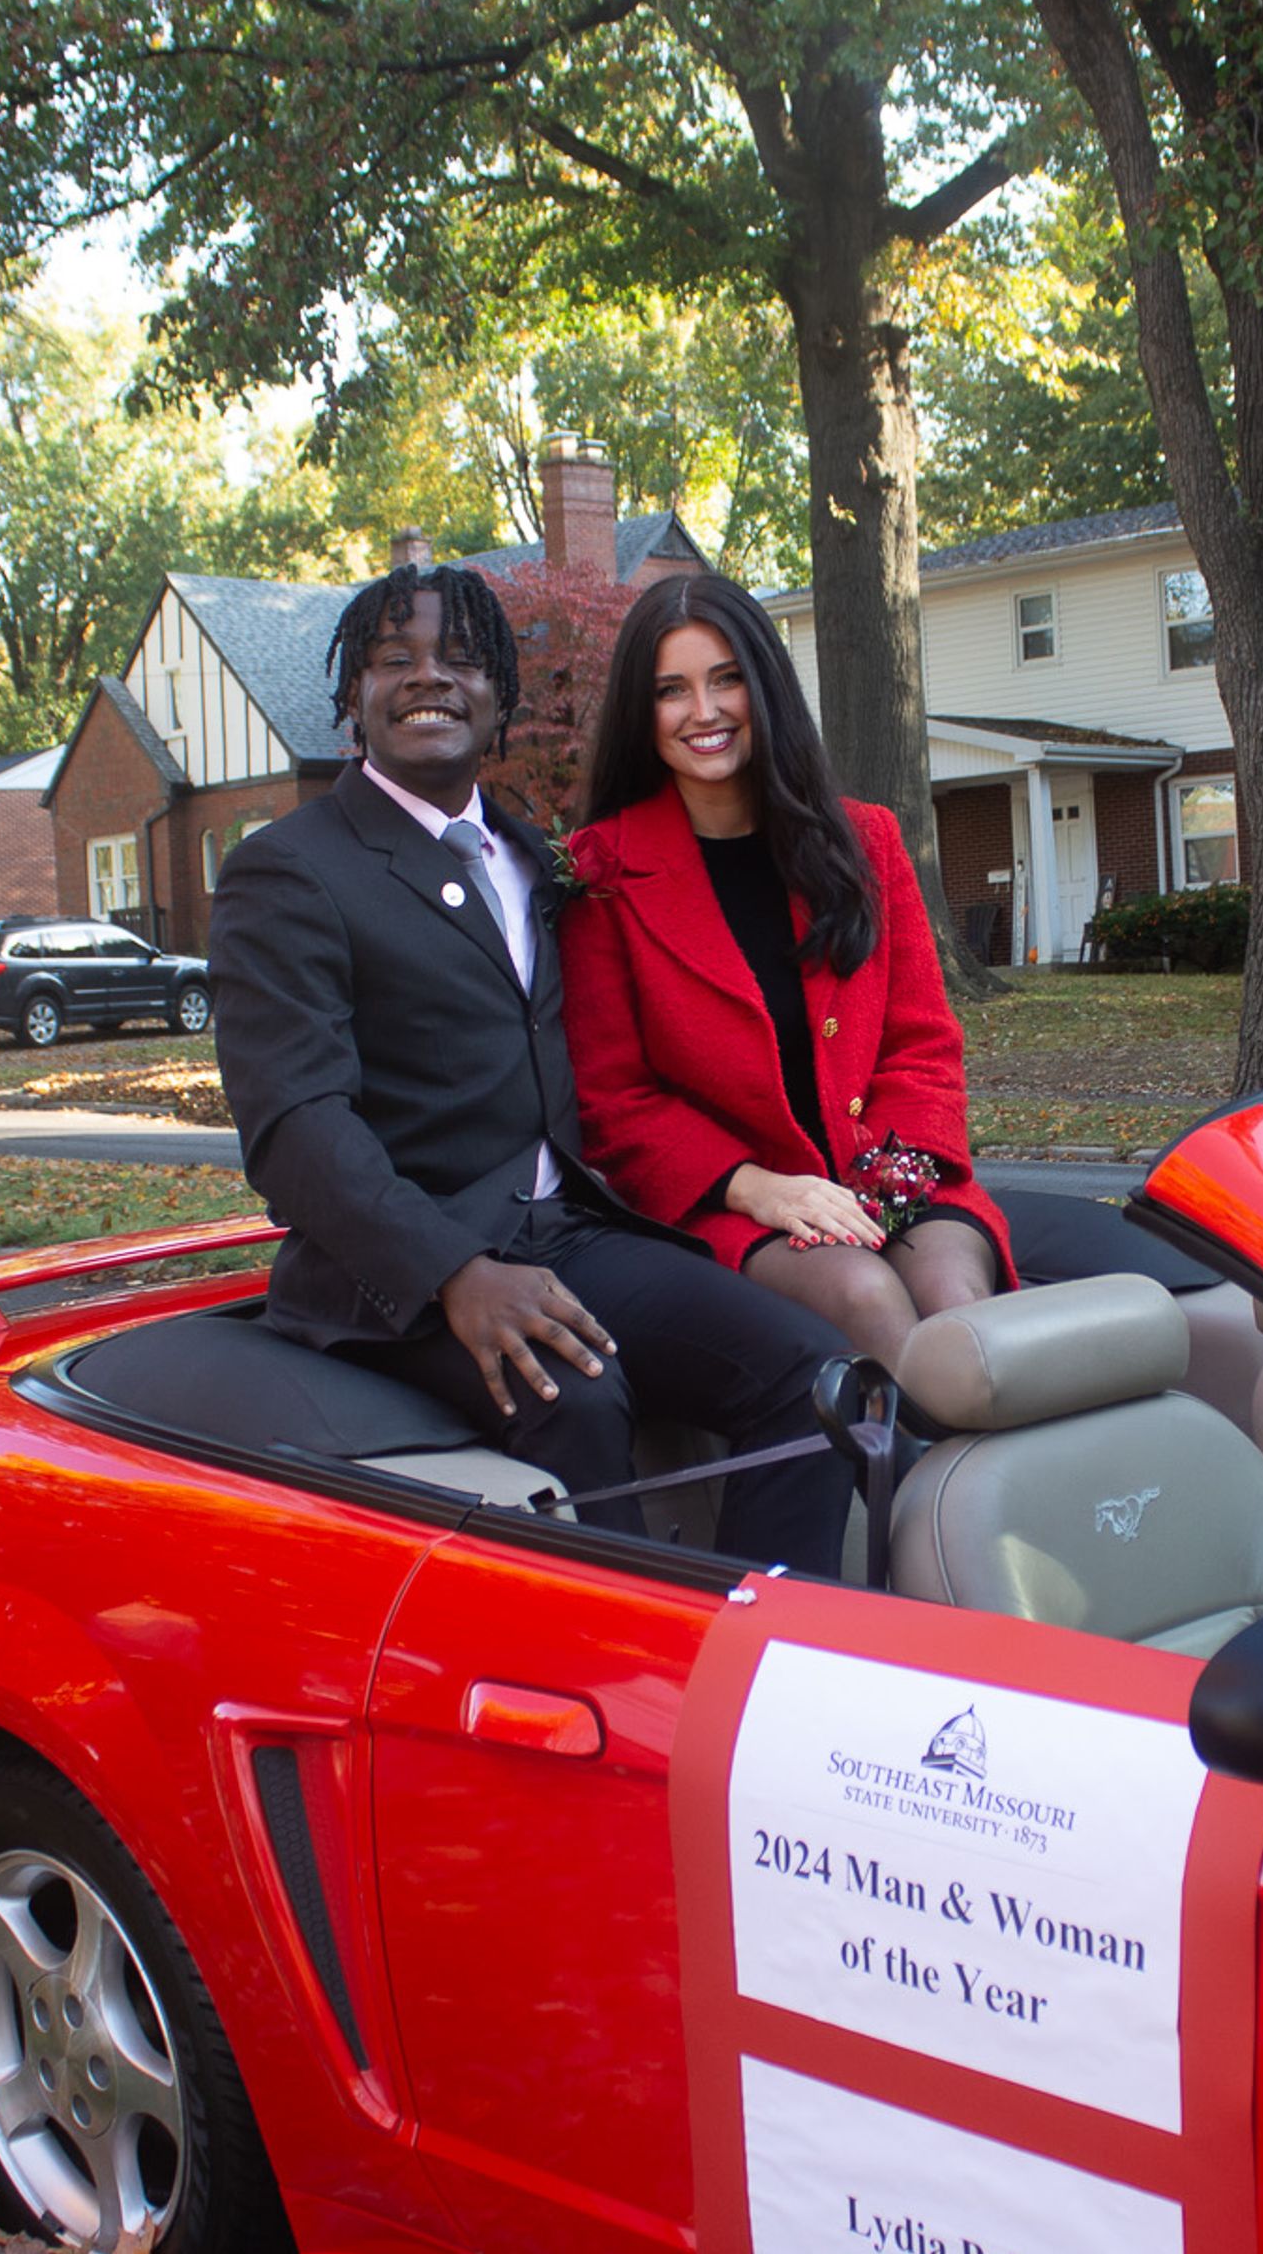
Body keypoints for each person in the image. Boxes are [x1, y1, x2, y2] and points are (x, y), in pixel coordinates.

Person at [206, 562, 854, 1576]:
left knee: (809, 1369)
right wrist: (453, 1276)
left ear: (501, 695)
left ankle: (763, 1661)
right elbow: (293, 1126)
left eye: (461, 659)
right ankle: (637, 1695)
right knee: (577, 1393)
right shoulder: (289, 870)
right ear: (350, 699)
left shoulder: (530, 857)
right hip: (400, 1272)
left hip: (569, 1230)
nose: (430, 679)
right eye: (394, 661)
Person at [558, 576, 1011, 1367]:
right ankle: (919, 1492)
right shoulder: (604, 872)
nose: (704, 711)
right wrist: (757, 1187)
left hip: (889, 1174)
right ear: (643, 710)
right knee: (866, 1296)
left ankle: (991, 1493)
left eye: (726, 678)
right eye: (672, 690)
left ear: (763, 686)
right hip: (732, 1203)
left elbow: (922, 1043)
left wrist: (883, 1180)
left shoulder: (864, 843)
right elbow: (614, 1099)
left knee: (953, 1304)